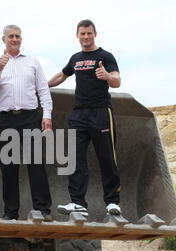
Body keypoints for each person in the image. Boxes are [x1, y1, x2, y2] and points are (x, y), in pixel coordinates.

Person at [48, 19, 122, 217]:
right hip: (79, 114)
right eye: (82, 33)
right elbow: (62, 76)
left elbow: (117, 82)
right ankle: (78, 202)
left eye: (89, 33)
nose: (86, 37)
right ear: (77, 35)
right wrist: (43, 85)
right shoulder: (75, 58)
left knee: (106, 157)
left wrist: (106, 75)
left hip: (101, 112)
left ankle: (112, 202)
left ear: (95, 34)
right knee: (75, 157)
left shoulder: (105, 56)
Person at [0, 25, 53, 221]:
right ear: (3, 39)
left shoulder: (32, 61)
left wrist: (46, 115)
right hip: (6, 119)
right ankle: (11, 212)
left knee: (36, 163)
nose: (15, 39)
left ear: (21, 39)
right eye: (11, 36)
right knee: (8, 166)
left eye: (18, 36)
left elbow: (43, 90)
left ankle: (43, 210)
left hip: (30, 117)